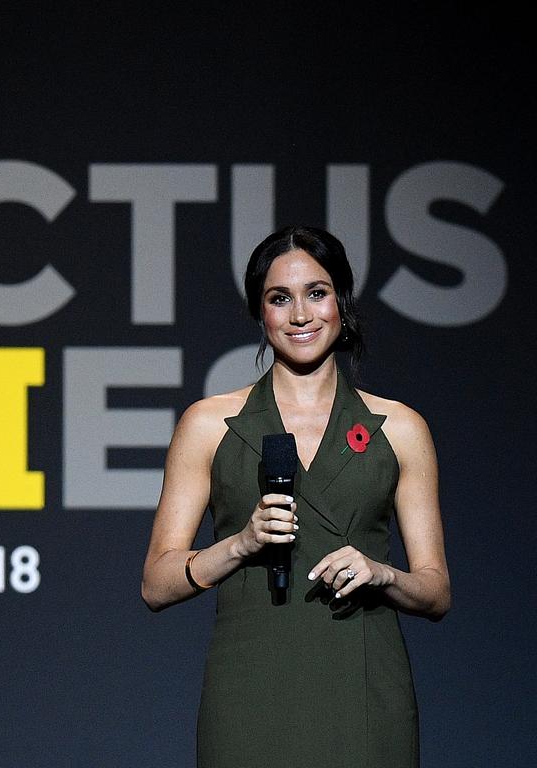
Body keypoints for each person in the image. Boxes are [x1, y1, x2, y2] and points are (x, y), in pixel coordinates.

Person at [141, 225, 451, 767]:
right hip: (250, 687)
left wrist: (383, 574)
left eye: (317, 292)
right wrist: (241, 543)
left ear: (342, 301)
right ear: (260, 314)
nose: (301, 315)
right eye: (279, 298)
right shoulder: (209, 424)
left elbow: (436, 591)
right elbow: (156, 584)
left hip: (364, 685)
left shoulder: (399, 429)